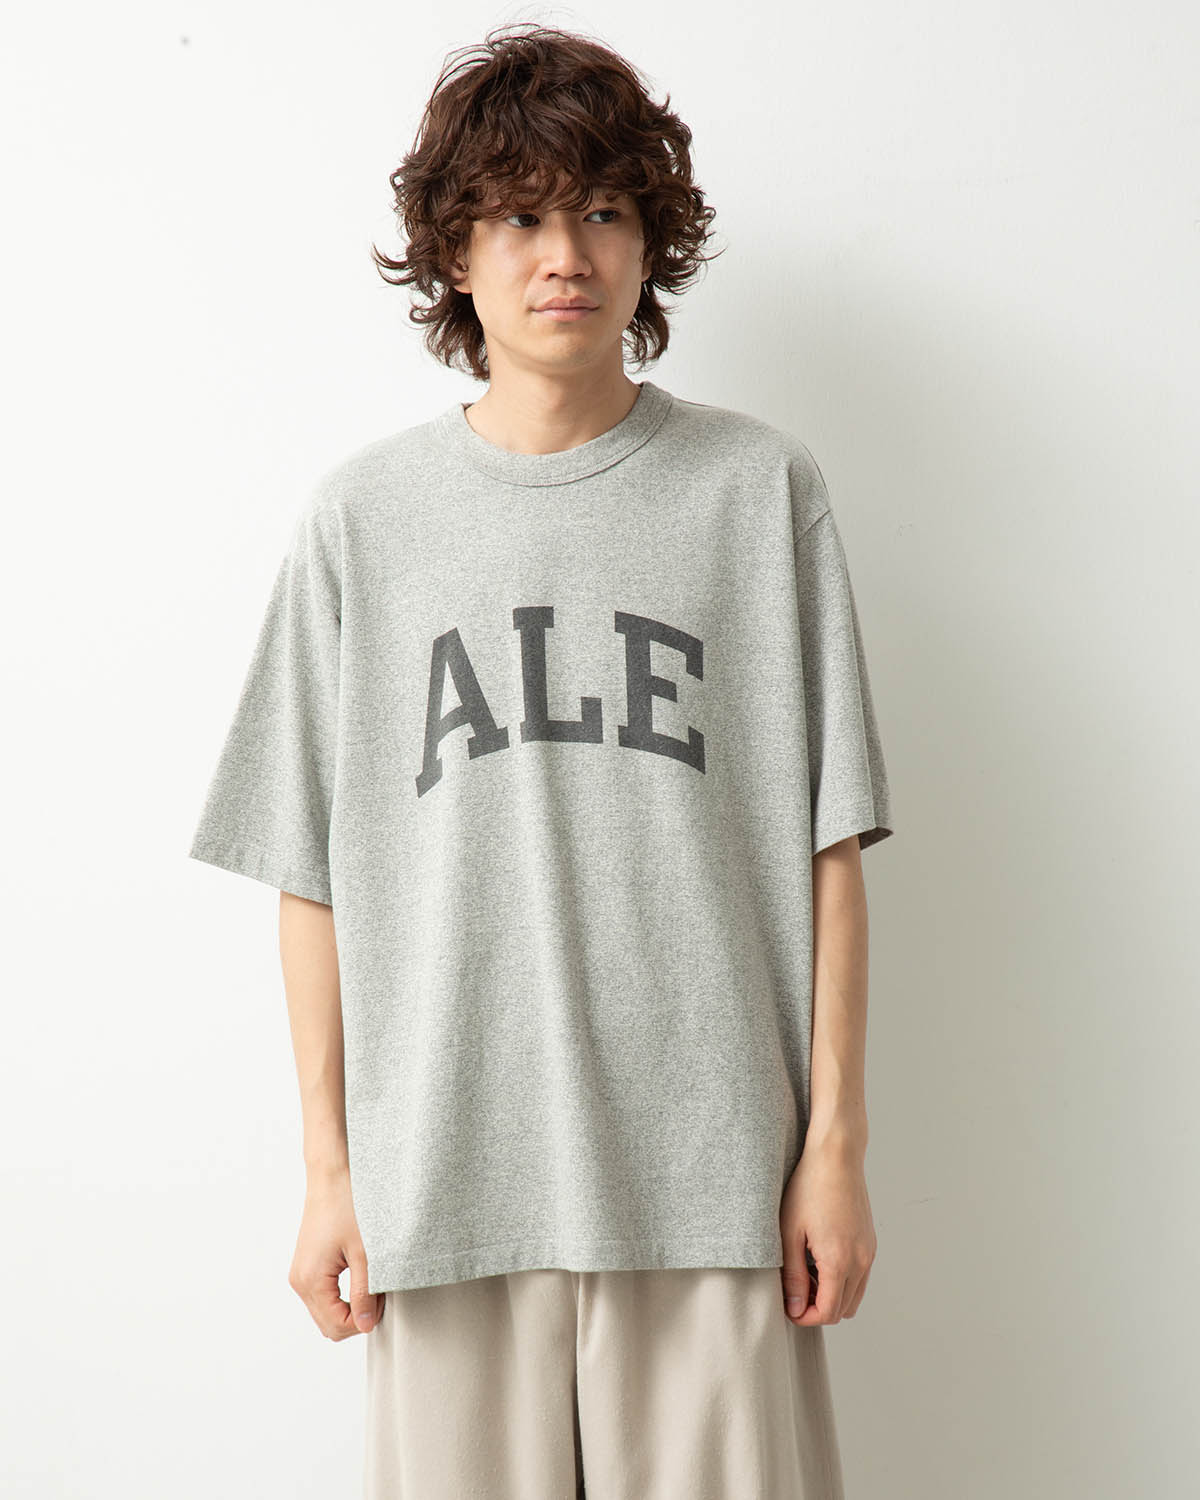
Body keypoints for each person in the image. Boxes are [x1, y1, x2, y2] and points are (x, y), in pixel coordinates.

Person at [188, 22, 893, 1499]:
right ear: (455, 253)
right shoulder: (363, 522)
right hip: (446, 1189)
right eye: (518, 215)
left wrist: (833, 1149)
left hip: (712, 1183)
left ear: (649, 243)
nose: (564, 254)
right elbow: (308, 874)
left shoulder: (759, 493)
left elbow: (827, 848)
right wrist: (329, 1173)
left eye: (603, 210)